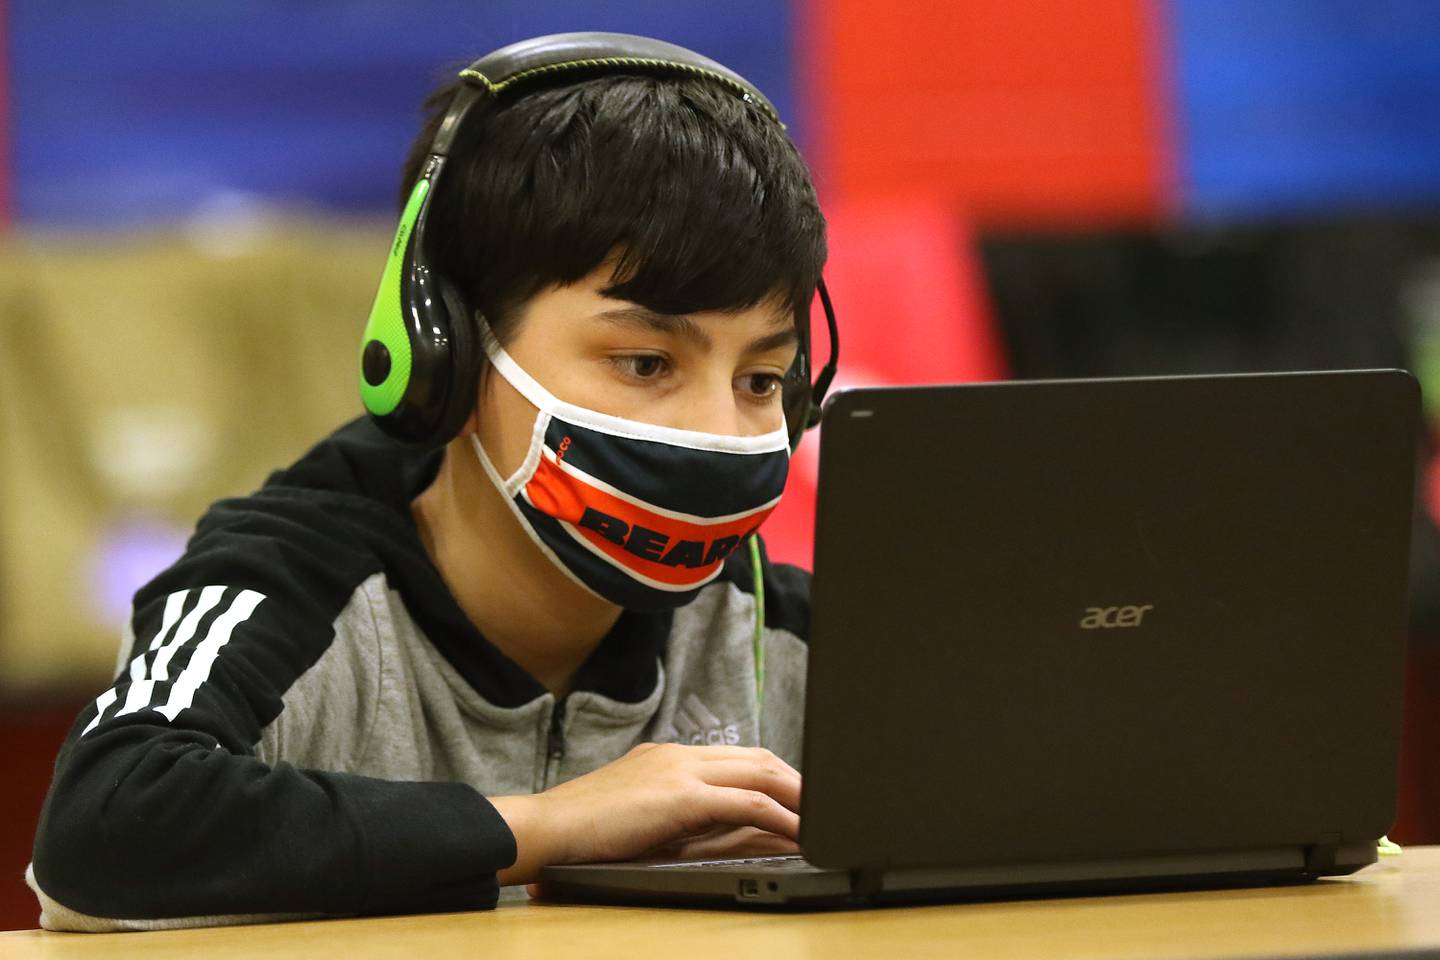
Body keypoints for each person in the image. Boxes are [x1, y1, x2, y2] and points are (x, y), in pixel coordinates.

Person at [24, 35, 830, 931]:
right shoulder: (287, 583)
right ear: (440, 353)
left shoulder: (778, 628)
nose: (720, 433)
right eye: (644, 362)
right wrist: (553, 826)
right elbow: (101, 830)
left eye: (762, 381)